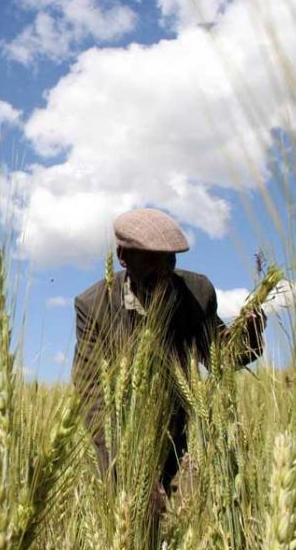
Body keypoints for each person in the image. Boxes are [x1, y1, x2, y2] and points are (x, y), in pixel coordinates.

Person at [71, 208, 265, 495]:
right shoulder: (93, 306)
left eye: (170, 259)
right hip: (120, 448)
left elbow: (221, 357)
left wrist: (249, 337)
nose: (164, 269)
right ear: (124, 256)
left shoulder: (196, 293)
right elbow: (91, 393)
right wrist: (131, 469)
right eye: (152, 259)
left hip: (180, 441)